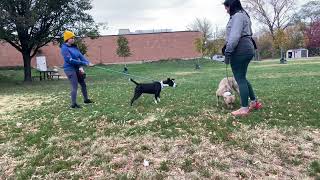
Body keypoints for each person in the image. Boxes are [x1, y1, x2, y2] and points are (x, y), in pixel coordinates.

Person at [222, 0, 262, 116]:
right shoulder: (244, 15)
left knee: (239, 79)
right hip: (247, 47)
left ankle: (244, 108)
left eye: (227, 7)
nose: (226, 10)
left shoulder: (237, 16)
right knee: (242, 77)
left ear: (231, 5)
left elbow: (234, 37)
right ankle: (254, 102)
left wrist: (228, 53)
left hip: (240, 49)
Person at [61, 30, 94, 108]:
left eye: (73, 38)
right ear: (67, 39)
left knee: (83, 84)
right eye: (71, 38)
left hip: (77, 68)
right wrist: (84, 64)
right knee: (74, 86)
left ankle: (86, 99)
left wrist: (88, 62)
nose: (73, 39)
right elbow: (70, 60)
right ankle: (73, 104)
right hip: (69, 69)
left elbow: (81, 56)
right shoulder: (64, 48)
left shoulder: (74, 47)